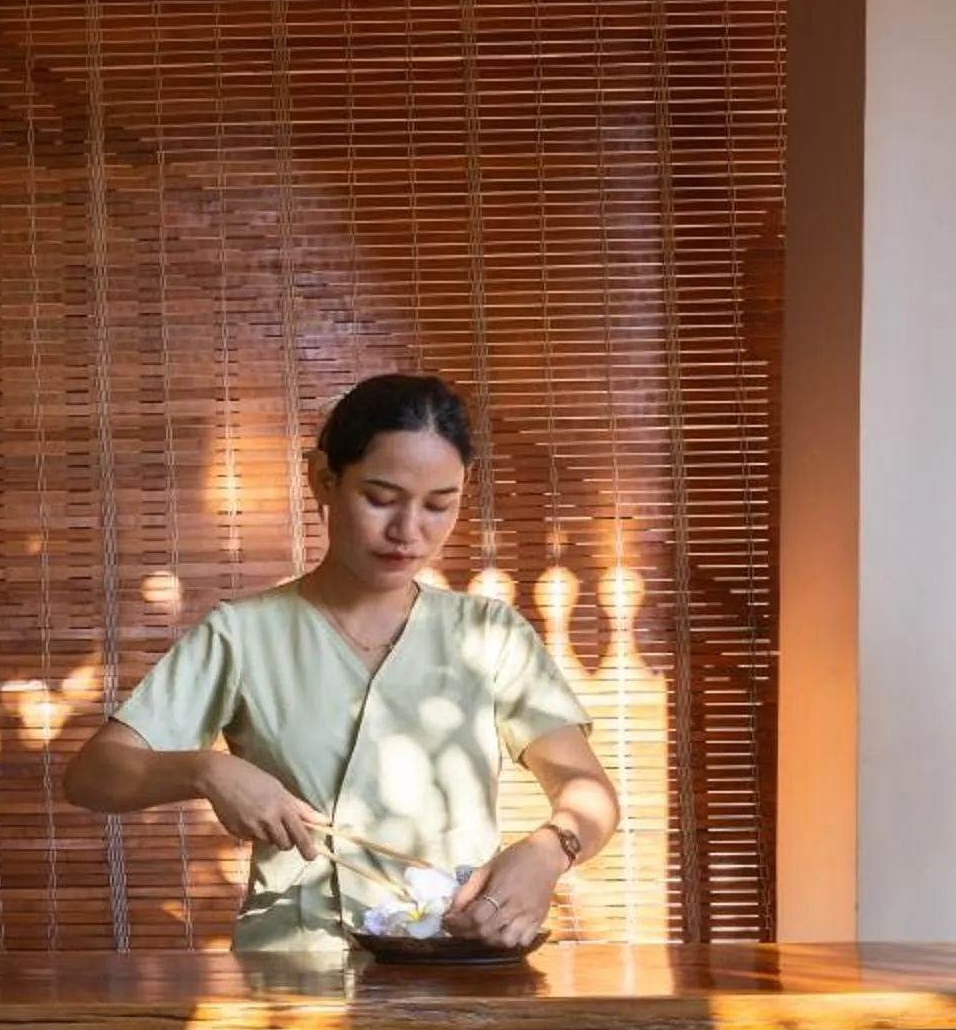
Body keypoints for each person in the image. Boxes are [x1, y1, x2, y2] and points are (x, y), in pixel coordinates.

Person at [64, 373, 620, 953]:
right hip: (288, 977)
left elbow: (588, 791)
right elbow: (93, 775)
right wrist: (207, 770)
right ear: (324, 479)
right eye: (380, 498)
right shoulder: (243, 634)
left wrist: (550, 849)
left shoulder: (489, 634)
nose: (408, 531)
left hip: (452, 971)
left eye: (439, 505)